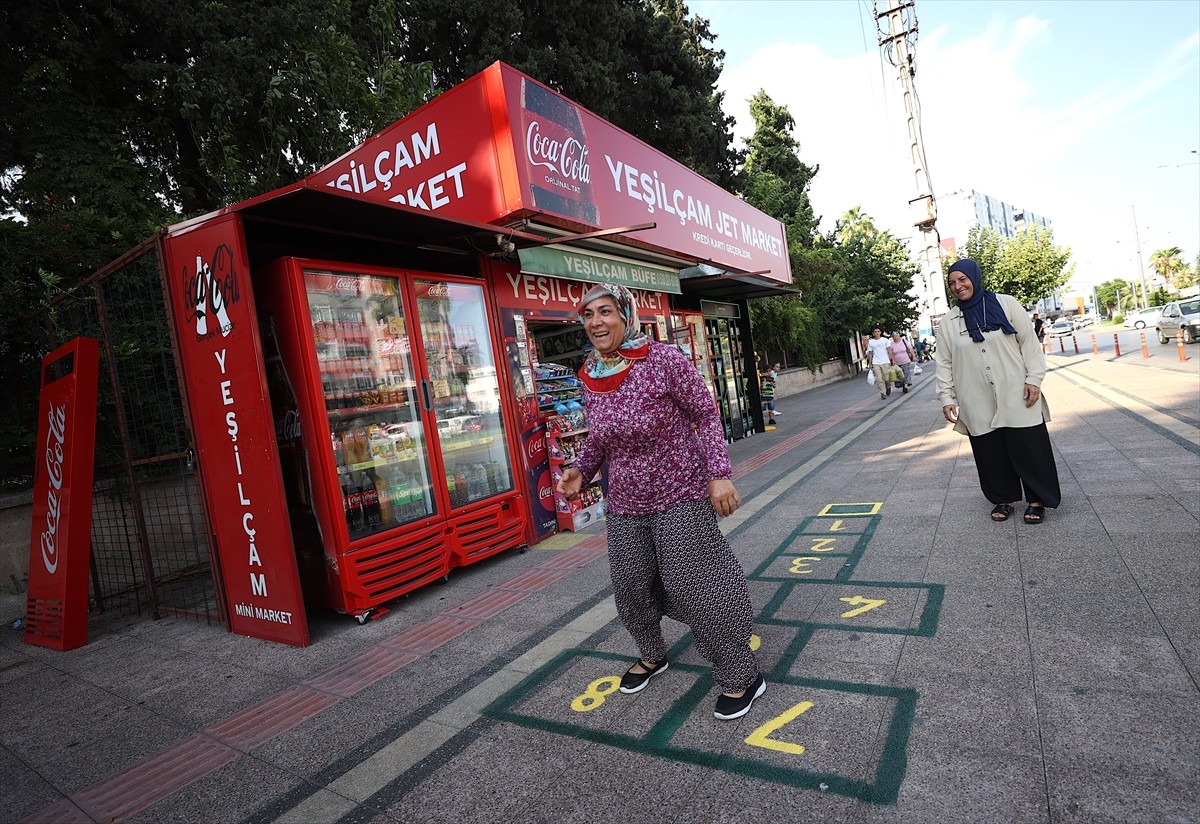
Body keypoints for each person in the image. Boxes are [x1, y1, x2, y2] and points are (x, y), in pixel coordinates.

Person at [555, 283, 766, 720]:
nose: (597, 322)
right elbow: (599, 436)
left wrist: (719, 474)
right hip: (627, 499)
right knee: (631, 585)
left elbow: (705, 414)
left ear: (626, 315)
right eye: (589, 315)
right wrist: (581, 468)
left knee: (696, 584)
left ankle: (741, 672)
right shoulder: (591, 372)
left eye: (606, 312)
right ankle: (653, 653)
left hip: (680, 490)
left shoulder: (663, 360)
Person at [937, 259, 1061, 524]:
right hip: (975, 395)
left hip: (1016, 389)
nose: (958, 286)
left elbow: (1029, 344)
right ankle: (1004, 498)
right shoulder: (949, 321)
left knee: (1029, 445)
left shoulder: (1006, 304)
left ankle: (1037, 498)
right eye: (952, 283)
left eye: (962, 279)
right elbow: (944, 362)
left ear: (974, 277)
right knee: (990, 449)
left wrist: (1034, 379)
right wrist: (946, 397)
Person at [865, 325, 894, 400]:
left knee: (887, 378)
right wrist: (870, 363)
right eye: (875, 332)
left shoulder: (885, 340)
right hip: (876, 362)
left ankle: (888, 386)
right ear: (873, 333)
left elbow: (889, 350)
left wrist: (892, 359)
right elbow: (870, 353)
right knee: (879, 379)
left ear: (880, 332)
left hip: (885, 361)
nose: (877, 333)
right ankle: (882, 393)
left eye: (878, 331)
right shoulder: (871, 342)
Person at [759, 360, 777, 425]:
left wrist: (773, 384)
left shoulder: (771, 378)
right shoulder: (761, 378)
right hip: (763, 395)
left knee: (771, 408)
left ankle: (771, 418)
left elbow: (774, 385)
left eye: (769, 371)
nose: (768, 373)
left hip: (770, 395)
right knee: (762, 408)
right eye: (766, 371)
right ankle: (762, 419)